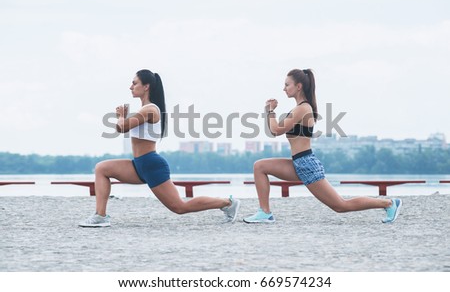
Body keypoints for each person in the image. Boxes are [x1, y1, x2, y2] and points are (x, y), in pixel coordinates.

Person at [79, 69, 240, 227]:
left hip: (151, 164)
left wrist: (121, 116)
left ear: (146, 86)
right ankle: (100, 216)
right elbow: (124, 127)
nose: (131, 86)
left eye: (134, 83)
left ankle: (227, 203)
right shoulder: (143, 110)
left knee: (179, 207)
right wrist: (123, 118)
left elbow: (122, 128)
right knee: (102, 168)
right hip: (138, 165)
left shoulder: (150, 109)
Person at [243, 69, 402, 224]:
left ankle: (388, 203)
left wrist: (270, 111)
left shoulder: (303, 109)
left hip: (306, 164)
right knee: (260, 166)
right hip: (298, 162)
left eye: (287, 84)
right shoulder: (299, 108)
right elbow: (275, 130)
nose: (283, 88)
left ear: (298, 86)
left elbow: (276, 130)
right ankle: (265, 213)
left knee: (340, 205)